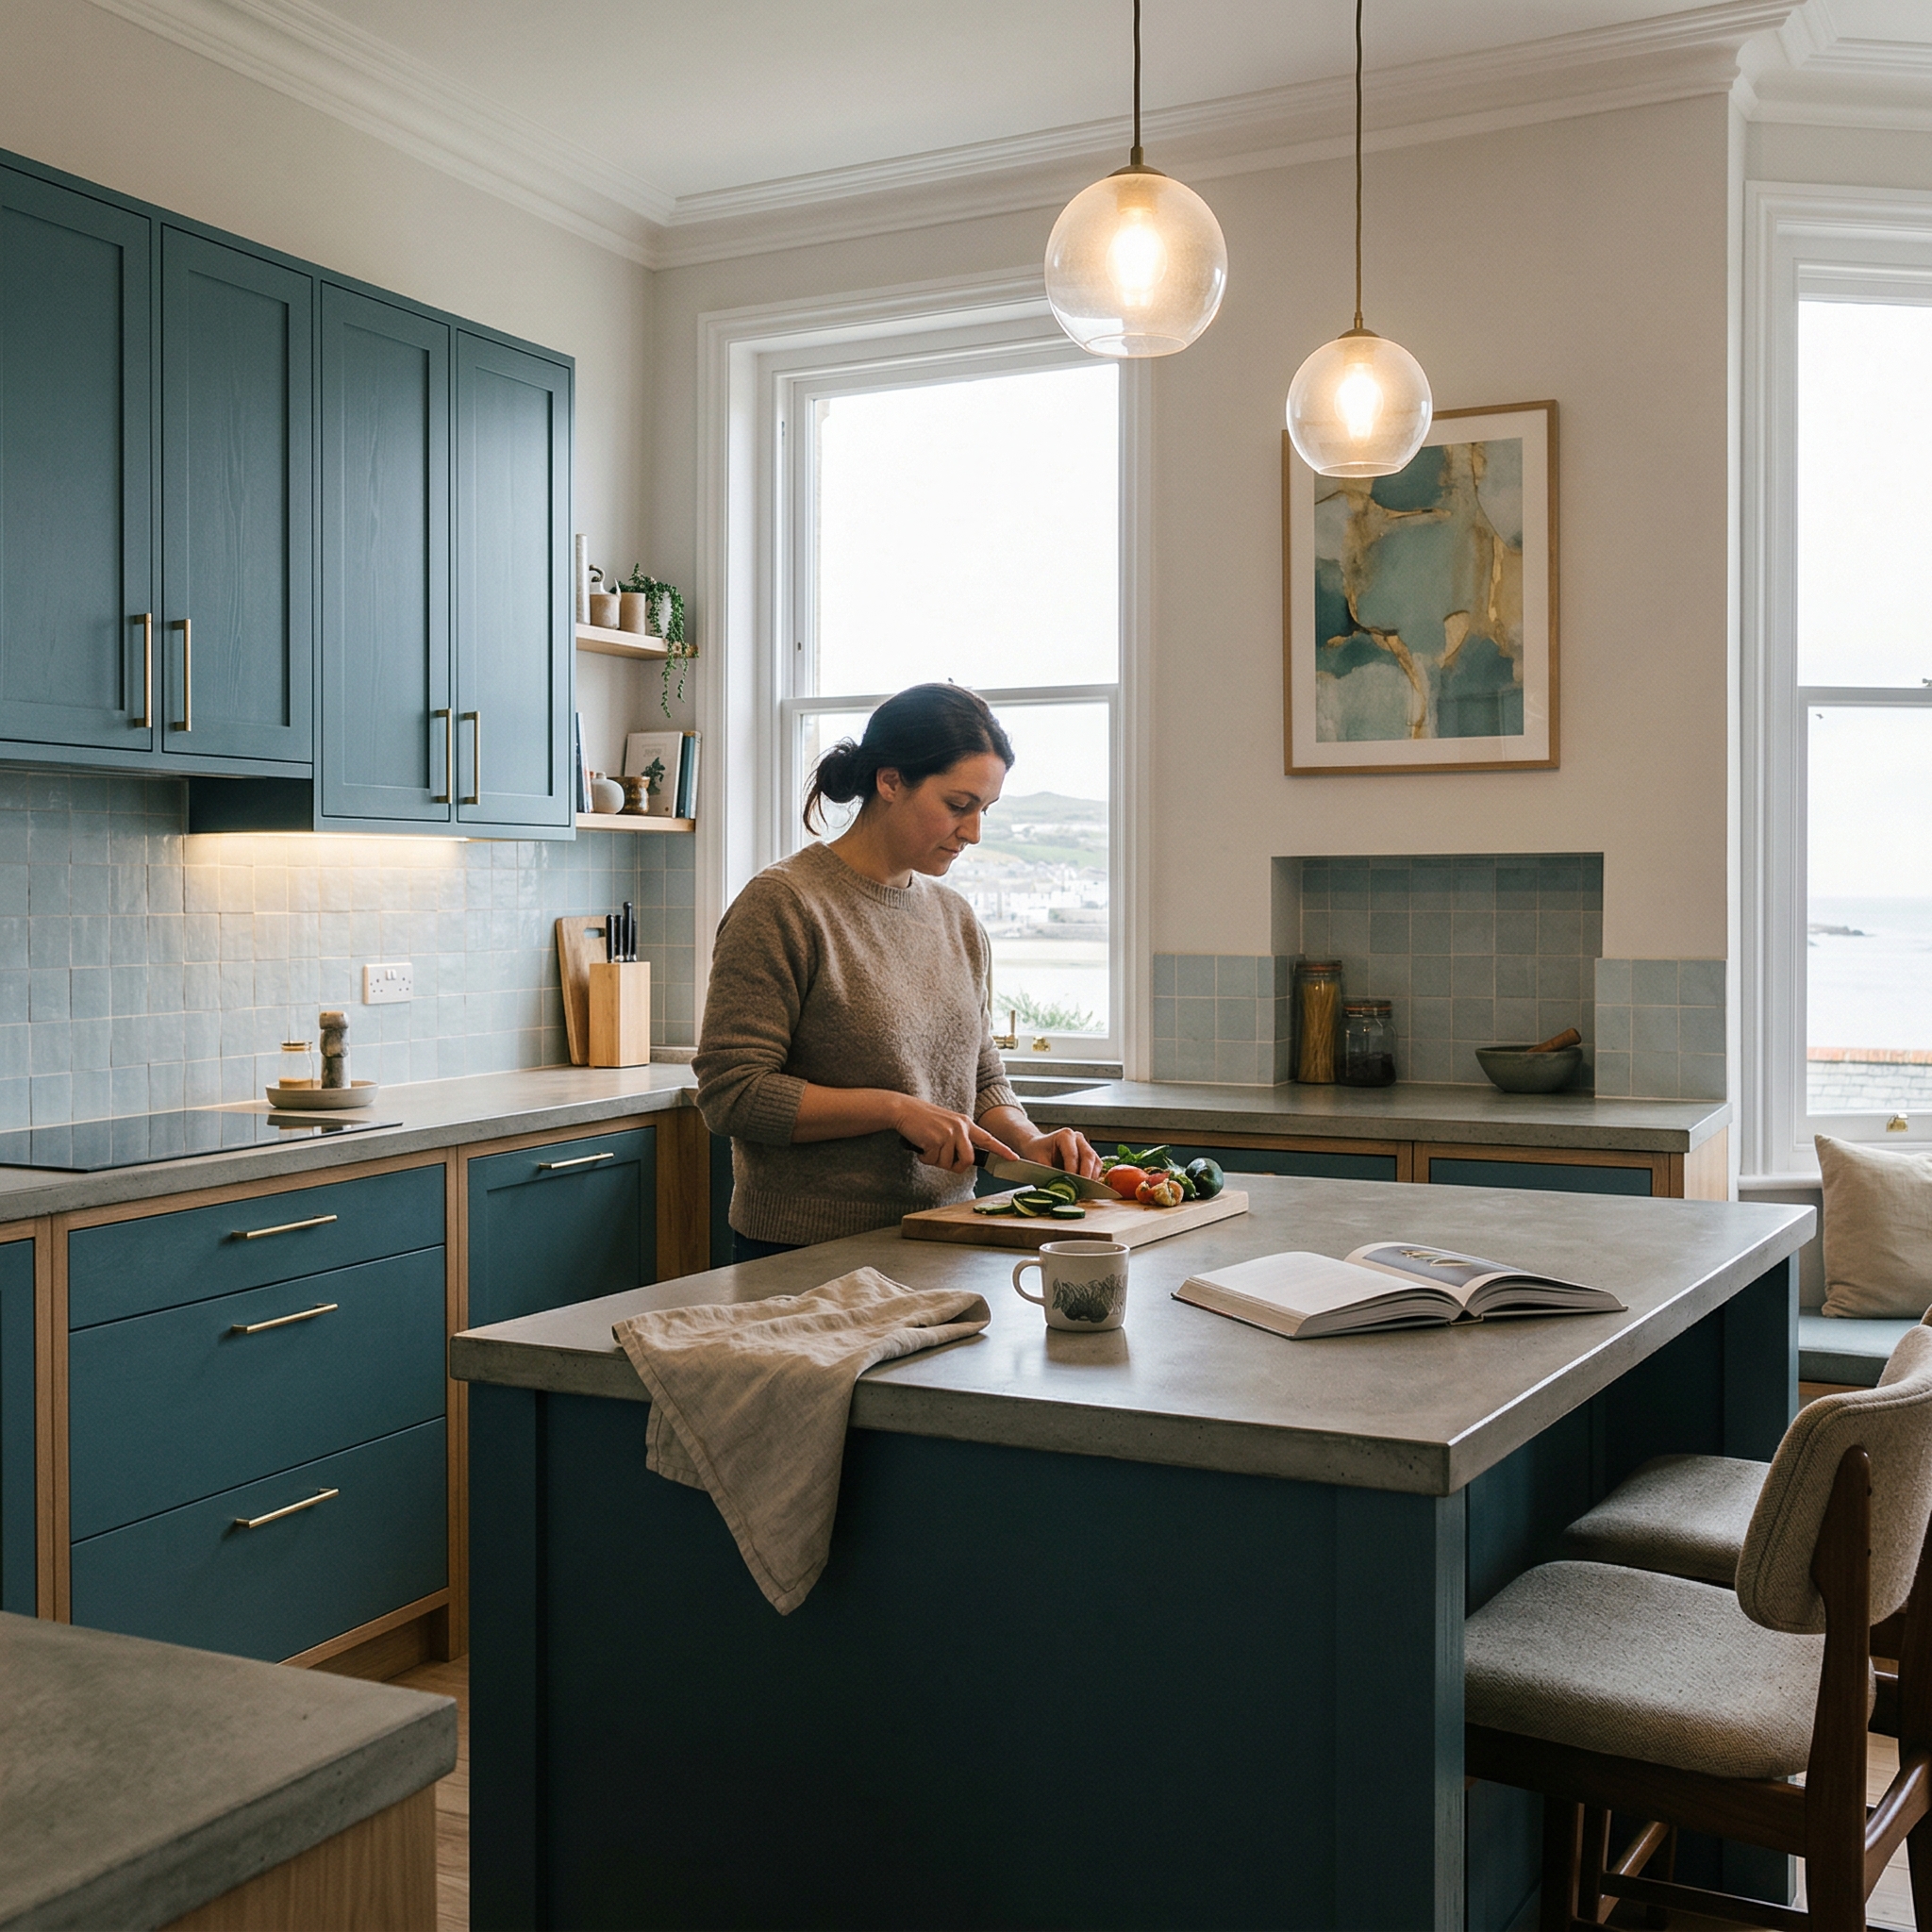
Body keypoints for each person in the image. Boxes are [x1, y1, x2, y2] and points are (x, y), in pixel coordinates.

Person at [694, 682, 1101, 1261]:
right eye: (958, 806)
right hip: (804, 1252)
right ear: (890, 782)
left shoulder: (955, 918)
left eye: (984, 811)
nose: (974, 832)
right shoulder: (784, 905)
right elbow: (732, 1092)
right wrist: (895, 1109)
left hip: (945, 1237)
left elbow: (979, 1076)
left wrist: (1027, 1142)